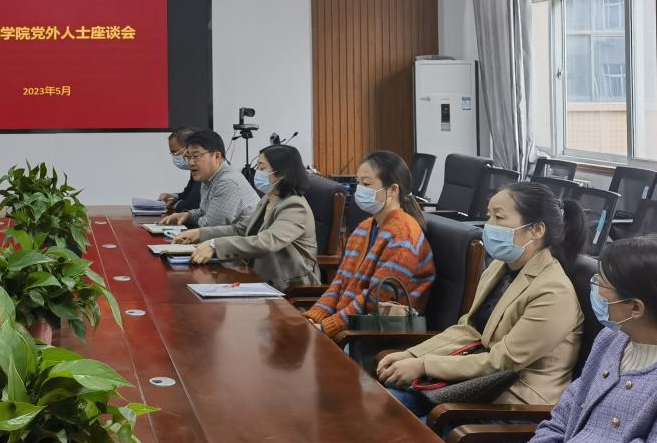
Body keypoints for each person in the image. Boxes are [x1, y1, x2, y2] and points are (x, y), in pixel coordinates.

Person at [495, 235, 657, 443]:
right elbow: (561, 419)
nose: (594, 288)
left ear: (635, 307)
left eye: (601, 284)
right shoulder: (611, 340)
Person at [378, 182, 586, 416]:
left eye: (499, 217)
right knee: (384, 402)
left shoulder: (553, 291)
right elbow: (469, 330)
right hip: (476, 383)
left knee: (398, 420)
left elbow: (502, 361)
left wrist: (424, 365)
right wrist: (413, 355)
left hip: (515, 405)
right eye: (489, 216)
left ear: (536, 230)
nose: (489, 225)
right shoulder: (500, 267)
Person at [305, 151, 436, 339]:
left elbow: (376, 299)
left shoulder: (403, 236)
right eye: (358, 183)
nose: (359, 190)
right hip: (350, 327)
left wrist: (326, 328)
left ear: (393, 190)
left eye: (366, 184)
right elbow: (340, 282)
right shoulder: (365, 228)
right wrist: (314, 317)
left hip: (377, 335)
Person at [173, 144, 318, 291]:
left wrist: (215, 246)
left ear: (282, 174)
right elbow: (241, 229)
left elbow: (267, 242)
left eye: (262, 168)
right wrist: (199, 234)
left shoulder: (294, 206)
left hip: (290, 285)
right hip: (259, 275)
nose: (257, 173)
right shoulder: (269, 198)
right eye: (257, 167)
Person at [158, 129, 258, 228]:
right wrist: (187, 215)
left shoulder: (228, 182)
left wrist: (189, 219)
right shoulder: (208, 178)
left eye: (196, 156)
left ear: (217, 156)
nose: (191, 163)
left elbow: (211, 226)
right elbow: (203, 211)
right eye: (188, 157)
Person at [157, 126, 201, 214]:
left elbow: (192, 204)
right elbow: (188, 194)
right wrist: (172, 197)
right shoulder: (195, 168)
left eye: (174, 152)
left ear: (189, 148)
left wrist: (174, 205)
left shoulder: (203, 169)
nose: (174, 156)